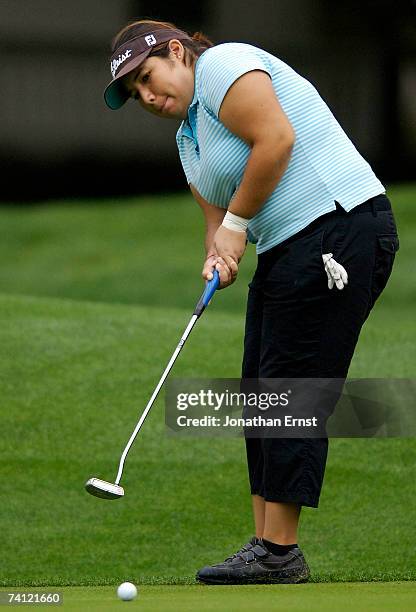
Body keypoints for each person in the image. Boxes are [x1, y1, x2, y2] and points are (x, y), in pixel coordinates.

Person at [104, 19, 399, 584]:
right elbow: (219, 221)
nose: (147, 95)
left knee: (293, 384)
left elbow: (277, 139)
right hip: (288, 246)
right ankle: (266, 544)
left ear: (176, 52)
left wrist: (237, 226)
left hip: (338, 225)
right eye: (136, 92)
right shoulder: (187, 139)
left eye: (148, 77)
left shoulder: (222, 66)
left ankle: (280, 552)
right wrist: (219, 253)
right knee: (259, 389)